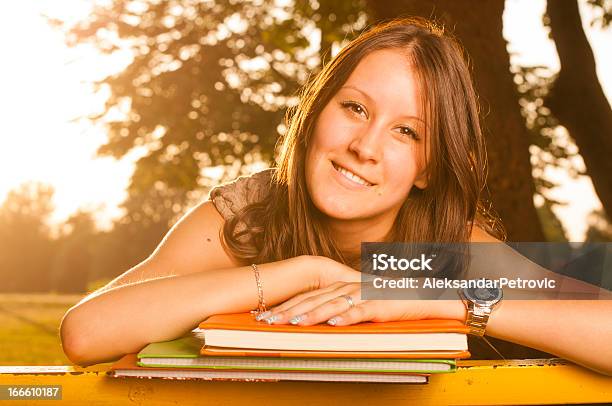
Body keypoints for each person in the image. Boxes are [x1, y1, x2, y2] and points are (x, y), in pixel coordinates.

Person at [60, 17, 612, 375]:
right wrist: (305, 272)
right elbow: (86, 334)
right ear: (316, 112)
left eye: (407, 132)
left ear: (427, 168)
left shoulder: (442, 246)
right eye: (355, 108)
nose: (364, 146)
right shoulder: (248, 216)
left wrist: (437, 299)